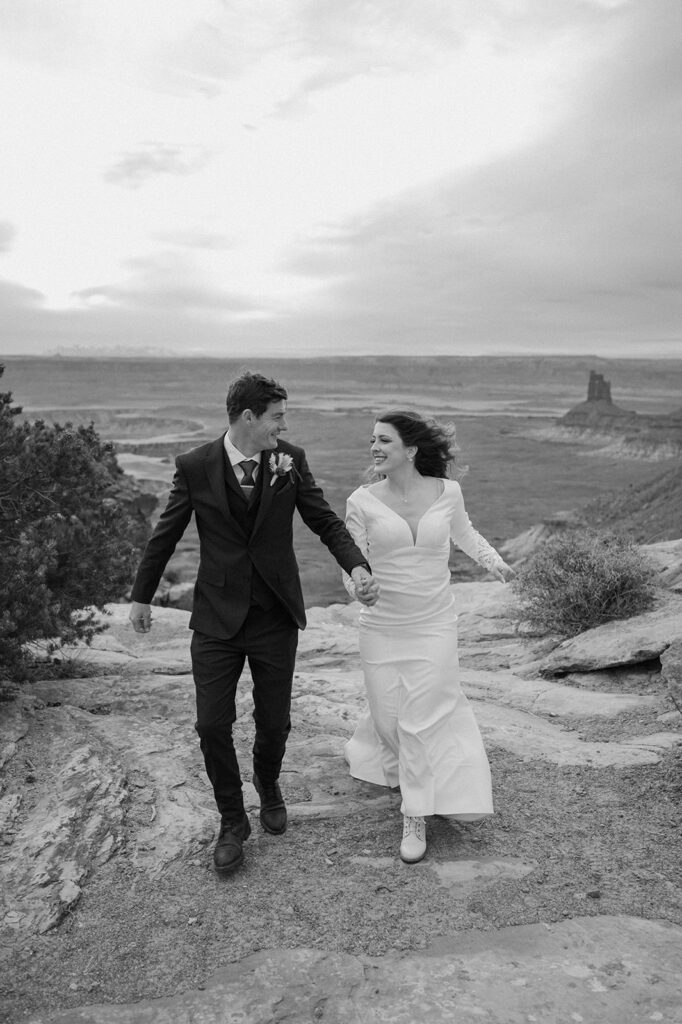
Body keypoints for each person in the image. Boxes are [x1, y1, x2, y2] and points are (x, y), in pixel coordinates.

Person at [129, 371, 378, 875]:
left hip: (274, 615)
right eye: (277, 417)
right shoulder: (195, 465)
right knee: (211, 723)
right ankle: (231, 820)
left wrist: (356, 565)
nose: (282, 426)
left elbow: (324, 520)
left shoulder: (291, 460)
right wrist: (141, 596)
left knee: (274, 721)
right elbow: (166, 534)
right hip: (217, 618)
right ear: (249, 417)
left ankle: (268, 782)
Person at [342, 410, 514, 864]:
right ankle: (393, 760)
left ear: (411, 450)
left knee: (421, 718)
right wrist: (360, 586)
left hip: (435, 623)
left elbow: (466, 535)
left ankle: (415, 814)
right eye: (372, 441)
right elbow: (352, 563)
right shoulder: (360, 500)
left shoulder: (448, 493)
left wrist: (496, 563)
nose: (374, 448)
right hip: (381, 627)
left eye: (384, 441)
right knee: (387, 719)